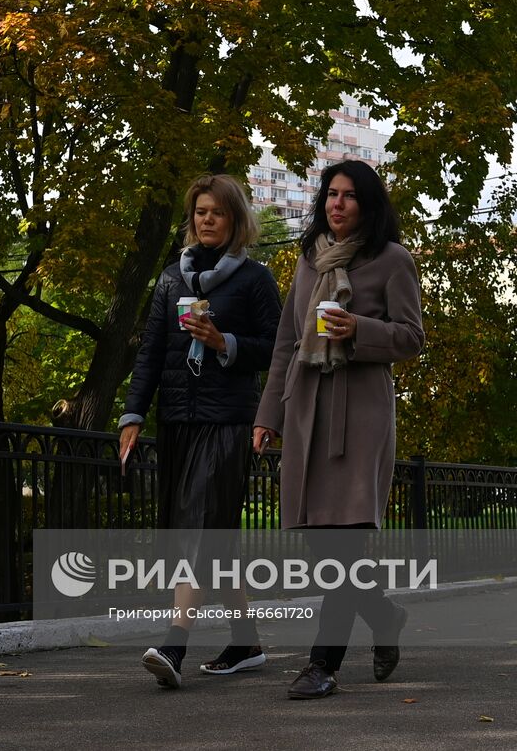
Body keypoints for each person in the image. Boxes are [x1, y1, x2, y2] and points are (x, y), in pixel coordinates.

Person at [252, 159, 424, 699]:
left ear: (368, 204)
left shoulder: (393, 260)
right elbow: (285, 343)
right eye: (331, 193)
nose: (337, 203)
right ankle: (385, 616)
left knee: (344, 548)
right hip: (309, 410)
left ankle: (322, 665)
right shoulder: (307, 260)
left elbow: (411, 337)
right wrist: (267, 416)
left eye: (349, 195)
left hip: (362, 414)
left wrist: (360, 330)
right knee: (325, 552)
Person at [118, 174, 282, 688]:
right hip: (179, 421)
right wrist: (132, 415)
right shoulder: (171, 279)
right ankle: (246, 640)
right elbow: (150, 353)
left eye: (216, 212)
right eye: (199, 212)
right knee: (213, 539)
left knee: (198, 529)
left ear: (235, 220)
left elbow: (277, 348)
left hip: (227, 419)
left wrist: (223, 341)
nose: (206, 220)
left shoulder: (255, 279)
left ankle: (174, 642)